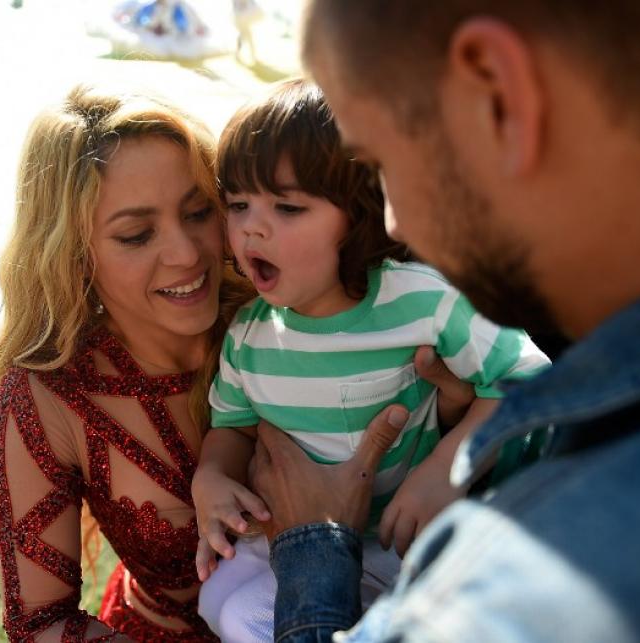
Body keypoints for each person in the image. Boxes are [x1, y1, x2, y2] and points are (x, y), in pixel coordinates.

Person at [249, 1, 640, 642]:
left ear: (494, 93)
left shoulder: (502, 603)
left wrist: (313, 549)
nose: (394, 225)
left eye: (381, 163)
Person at [192, 78, 550, 642]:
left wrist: (446, 470)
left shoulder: (419, 300)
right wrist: (210, 478)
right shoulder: (248, 336)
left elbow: (527, 379)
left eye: (288, 207)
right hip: (297, 532)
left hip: (406, 535)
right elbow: (231, 427)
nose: (252, 227)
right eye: (238, 204)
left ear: (359, 216)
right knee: (222, 605)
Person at [0, 83, 243, 641]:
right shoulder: (48, 392)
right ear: (73, 255)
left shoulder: (282, 310)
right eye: (137, 234)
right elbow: (39, 621)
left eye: (199, 211)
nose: (186, 252)